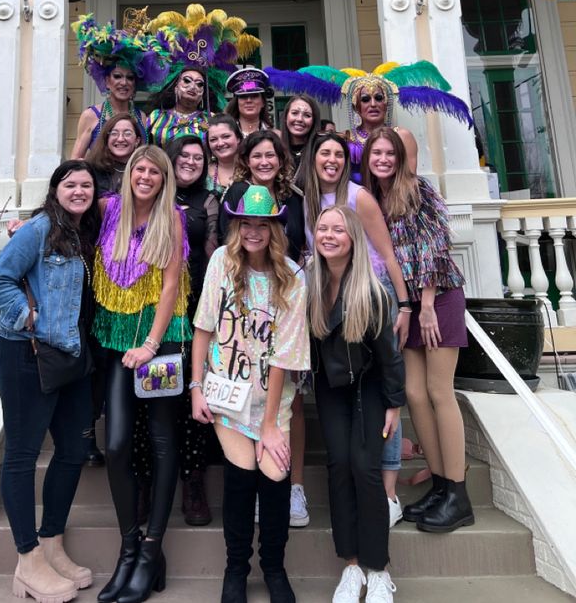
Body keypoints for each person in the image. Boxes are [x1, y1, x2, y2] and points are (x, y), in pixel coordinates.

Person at [0, 160, 101, 603]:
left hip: (70, 355)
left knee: (73, 450)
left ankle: (52, 542)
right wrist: (29, 317)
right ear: (55, 190)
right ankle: (28, 558)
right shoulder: (37, 229)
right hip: (24, 351)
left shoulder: (80, 232)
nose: (79, 191)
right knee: (22, 454)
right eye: (70, 184)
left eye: (86, 185)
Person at [191, 186, 310, 603]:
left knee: (275, 478)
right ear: (235, 226)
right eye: (246, 224)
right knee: (241, 480)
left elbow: (284, 355)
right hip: (227, 396)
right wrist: (195, 387)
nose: (253, 232)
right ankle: (235, 569)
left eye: (262, 225)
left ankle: (274, 568)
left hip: (271, 403)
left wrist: (270, 425)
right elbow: (204, 326)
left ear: (275, 228)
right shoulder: (221, 263)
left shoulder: (293, 277)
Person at [362, 126, 474, 534]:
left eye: (390, 153)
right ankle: (441, 483)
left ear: (401, 157)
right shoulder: (374, 198)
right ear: (367, 158)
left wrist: (426, 304)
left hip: (436, 297)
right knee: (413, 392)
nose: (384, 160)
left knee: (440, 391)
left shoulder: (418, 189)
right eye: (377, 154)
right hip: (405, 305)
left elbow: (435, 244)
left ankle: (458, 495)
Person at [93, 146, 191, 603]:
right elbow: (63, 208)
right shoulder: (107, 209)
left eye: (154, 170)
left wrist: (151, 345)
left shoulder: (171, 218)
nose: (146, 176)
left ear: (164, 177)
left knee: (161, 439)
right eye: (140, 169)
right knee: (115, 445)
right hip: (116, 338)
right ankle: (128, 548)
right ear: (129, 174)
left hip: (159, 339)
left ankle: (151, 549)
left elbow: (171, 285)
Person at [302, 130, 411, 527]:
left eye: (337, 154)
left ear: (346, 161)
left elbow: (385, 251)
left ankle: (388, 490)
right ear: (312, 159)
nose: (330, 160)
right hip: (330, 295)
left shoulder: (358, 196)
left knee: (383, 385)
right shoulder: (308, 199)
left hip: (370, 293)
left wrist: (404, 304)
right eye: (323, 153)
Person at [310, 206, 405, 603]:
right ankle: (351, 567)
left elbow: (391, 356)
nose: (328, 235)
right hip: (330, 389)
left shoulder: (372, 291)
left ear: (352, 239)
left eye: (338, 230)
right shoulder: (309, 285)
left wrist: (395, 405)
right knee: (338, 468)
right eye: (321, 228)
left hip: (369, 388)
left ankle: (378, 569)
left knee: (365, 469)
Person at [133, 136, 219, 526]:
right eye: (183, 156)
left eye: (198, 157)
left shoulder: (207, 202)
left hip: (195, 309)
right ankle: (145, 482)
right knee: (147, 400)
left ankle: (193, 481)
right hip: (146, 313)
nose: (190, 162)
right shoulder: (148, 198)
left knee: (188, 398)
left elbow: (217, 249)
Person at [265, 60, 474, 184]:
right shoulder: (344, 139)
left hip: (394, 213)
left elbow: (409, 182)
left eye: (379, 98)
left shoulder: (402, 137)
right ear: (356, 106)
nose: (373, 104)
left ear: (387, 103)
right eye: (365, 99)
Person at [144, 4, 262, 146]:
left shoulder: (212, 120)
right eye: (187, 81)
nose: (193, 86)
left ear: (204, 92)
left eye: (200, 84)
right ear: (175, 86)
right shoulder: (156, 117)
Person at [71, 12, 170, 156]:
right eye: (117, 76)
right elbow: (75, 160)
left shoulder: (140, 116)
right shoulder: (91, 116)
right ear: (107, 81)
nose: (124, 83)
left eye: (130, 78)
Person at [220, 132, 304, 263]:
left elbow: (299, 244)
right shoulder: (237, 192)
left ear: (280, 161)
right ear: (247, 161)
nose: (264, 162)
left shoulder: (292, 196)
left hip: (287, 275)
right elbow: (227, 239)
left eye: (270, 155)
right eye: (257, 156)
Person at [86, 113, 142, 194]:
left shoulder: (144, 171)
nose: (120, 139)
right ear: (107, 139)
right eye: (114, 133)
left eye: (127, 134)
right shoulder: (91, 169)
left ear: (137, 141)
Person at [225, 67, 276, 137]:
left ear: (263, 102)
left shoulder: (276, 135)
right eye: (243, 96)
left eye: (254, 96)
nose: (249, 100)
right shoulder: (224, 134)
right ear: (236, 102)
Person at [279, 93, 321, 174]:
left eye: (307, 115)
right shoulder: (276, 150)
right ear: (285, 117)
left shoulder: (320, 151)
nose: (300, 119)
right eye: (294, 113)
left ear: (314, 121)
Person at [206, 114, 243, 198]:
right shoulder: (202, 173)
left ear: (238, 138)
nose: (220, 143)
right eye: (213, 139)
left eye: (226, 137)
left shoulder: (251, 169)